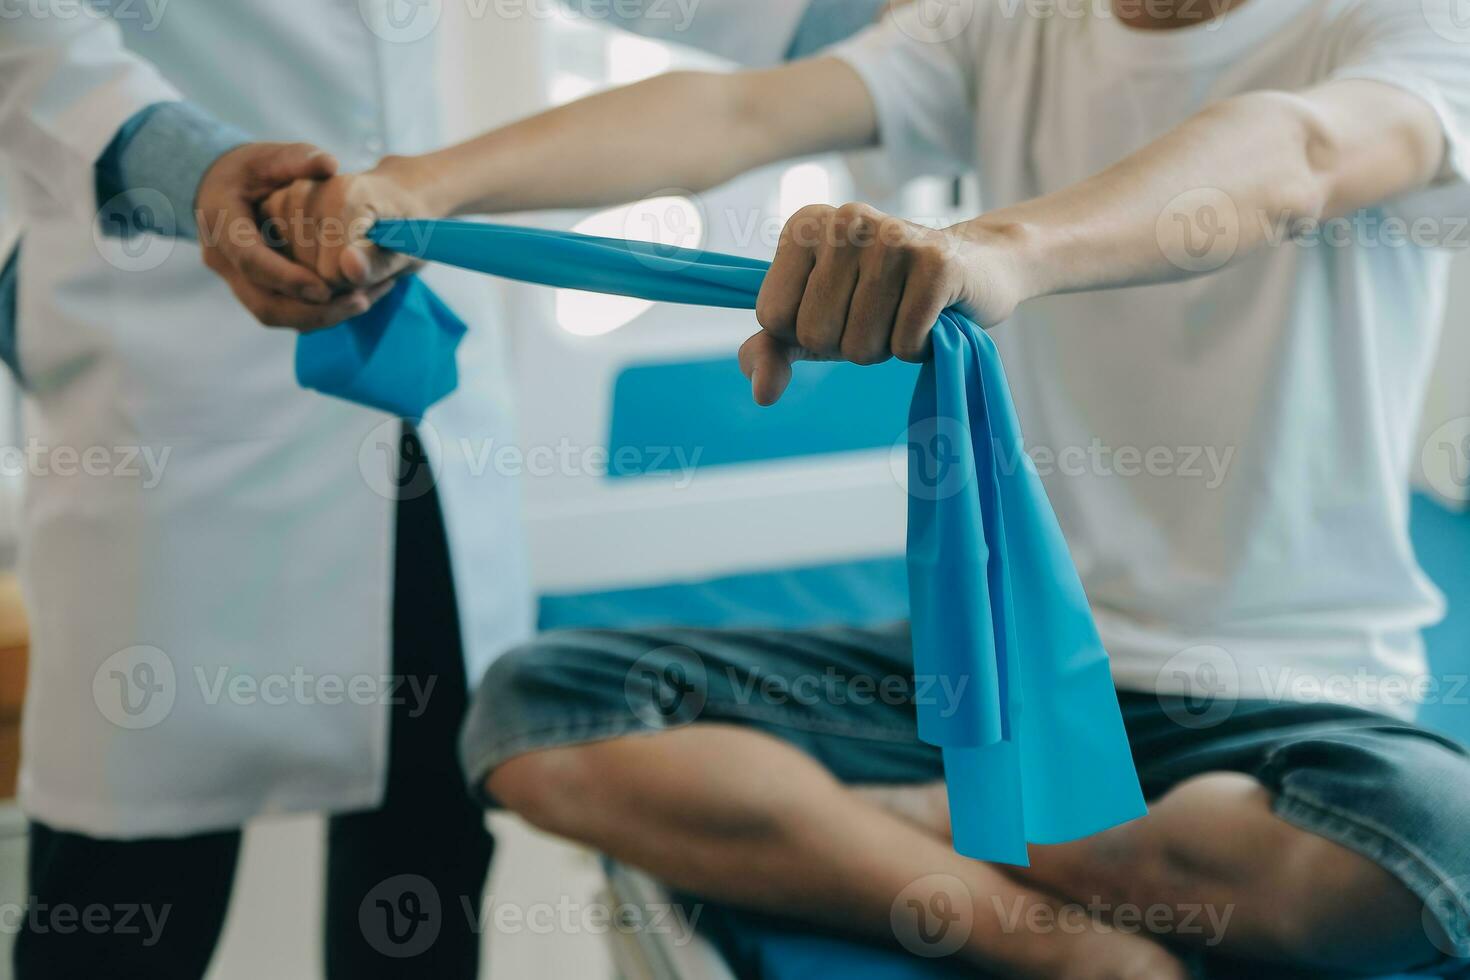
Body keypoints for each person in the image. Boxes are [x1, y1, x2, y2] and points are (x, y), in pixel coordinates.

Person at [259, 0, 1470, 977]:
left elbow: (1298, 153)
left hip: (1297, 688)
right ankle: (1074, 947)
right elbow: (741, 108)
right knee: (541, 711)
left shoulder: (1405, 30)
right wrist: (414, 186)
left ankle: (934, 818)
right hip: (998, 672)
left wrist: (1004, 249)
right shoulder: (1007, 25)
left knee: (1436, 842)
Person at [0, 2, 881, 976]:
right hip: (171, 366)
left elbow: (765, 94)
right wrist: (183, 165)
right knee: (129, 880)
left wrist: (893, 28)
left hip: (420, 369)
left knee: (427, 850)